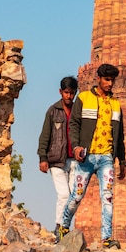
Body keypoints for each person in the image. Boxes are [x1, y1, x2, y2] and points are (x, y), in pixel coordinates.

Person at [58, 63, 126, 249]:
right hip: (87, 157)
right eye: (107, 79)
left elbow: (120, 136)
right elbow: (74, 125)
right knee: (77, 195)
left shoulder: (115, 104)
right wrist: (77, 146)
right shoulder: (84, 98)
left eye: (112, 80)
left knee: (108, 197)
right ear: (98, 78)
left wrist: (122, 160)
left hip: (106, 157)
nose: (110, 83)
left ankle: (106, 238)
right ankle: (63, 226)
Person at [37, 76, 78, 242]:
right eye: (66, 93)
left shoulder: (78, 111)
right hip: (56, 160)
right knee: (63, 195)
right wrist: (43, 157)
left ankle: (65, 226)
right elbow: (45, 135)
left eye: (72, 93)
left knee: (74, 197)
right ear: (61, 92)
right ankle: (59, 226)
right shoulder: (53, 111)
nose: (69, 96)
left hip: (74, 160)